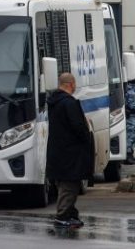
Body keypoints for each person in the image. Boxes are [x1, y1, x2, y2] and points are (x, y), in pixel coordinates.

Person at [47, 73, 92, 228]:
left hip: (58, 151)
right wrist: (87, 138)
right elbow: (78, 126)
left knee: (65, 184)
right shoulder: (69, 103)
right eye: (75, 84)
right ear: (71, 84)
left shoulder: (53, 102)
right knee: (69, 184)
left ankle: (70, 213)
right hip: (71, 152)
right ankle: (63, 216)